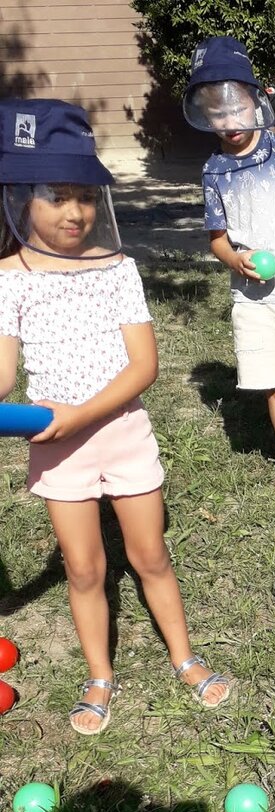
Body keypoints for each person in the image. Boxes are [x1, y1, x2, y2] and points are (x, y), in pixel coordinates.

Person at [0, 99, 232, 735]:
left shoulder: (118, 270)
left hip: (122, 434)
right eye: (55, 195)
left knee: (150, 554)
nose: (74, 211)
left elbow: (142, 368)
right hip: (55, 447)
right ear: (19, 198)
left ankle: (184, 657)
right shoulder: (8, 279)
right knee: (83, 568)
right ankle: (99, 675)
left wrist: (79, 415)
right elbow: (2, 378)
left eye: (83, 195)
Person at [184, 37, 275, 508]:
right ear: (206, 116)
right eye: (217, 113)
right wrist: (235, 260)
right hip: (252, 301)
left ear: (256, 102)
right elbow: (216, 239)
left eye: (236, 109)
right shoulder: (214, 171)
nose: (229, 122)